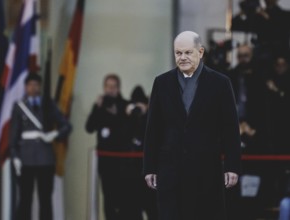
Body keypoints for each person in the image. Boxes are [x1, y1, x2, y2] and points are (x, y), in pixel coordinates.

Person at [143, 31, 241, 220]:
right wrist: (149, 168)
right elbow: (153, 129)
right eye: (178, 53)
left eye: (188, 52)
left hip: (207, 171)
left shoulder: (220, 83)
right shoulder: (161, 83)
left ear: (201, 52)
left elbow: (230, 128)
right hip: (170, 170)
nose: (183, 57)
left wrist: (232, 165)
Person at [9, 73, 71, 220]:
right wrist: (15, 157)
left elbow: (66, 126)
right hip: (26, 158)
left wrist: (55, 134)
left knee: (45, 200)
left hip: (45, 158)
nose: (33, 87)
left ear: (40, 86)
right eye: (30, 84)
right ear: (25, 87)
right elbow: (13, 137)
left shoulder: (48, 105)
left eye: (36, 84)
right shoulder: (19, 107)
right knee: (25, 199)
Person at [85, 74, 128, 220]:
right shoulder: (100, 105)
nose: (110, 90)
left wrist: (116, 114)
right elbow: (89, 128)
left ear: (118, 88)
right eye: (108, 87)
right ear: (104, 88)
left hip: (122, 162)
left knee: (122, 199)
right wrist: (97, 108)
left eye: (113, 87)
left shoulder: (124, 105)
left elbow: (127, 132)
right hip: (105, 161)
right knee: (108, 198)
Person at [121, 85, 157, 220]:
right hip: (130, 173)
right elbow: (123, 137)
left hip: (149, 173)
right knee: (132, 210)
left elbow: (152, 135)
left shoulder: (151, 116)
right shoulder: (127, 118)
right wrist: (128, 116)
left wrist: (147, 113)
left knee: (152, 208)